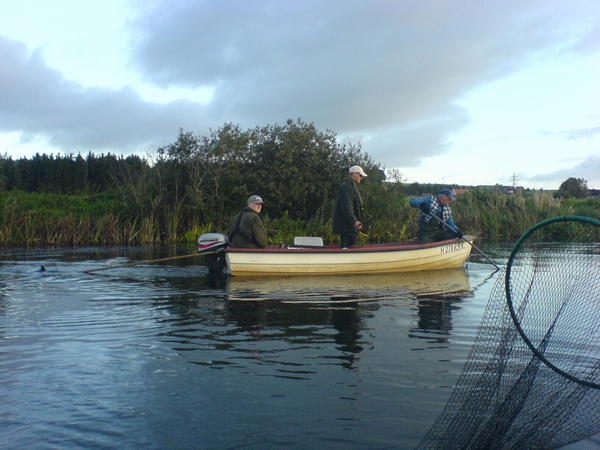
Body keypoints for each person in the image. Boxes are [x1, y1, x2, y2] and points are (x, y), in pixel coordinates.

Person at [332, 165, 367, 248]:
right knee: (346, 248)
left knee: (351, 247)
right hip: (346, 227)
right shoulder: (346, 187)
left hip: (350, 227)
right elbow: (346, 206)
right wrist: (354, 221)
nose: (361, 177)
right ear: (354, 174)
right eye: (360, 175)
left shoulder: (352, 187)